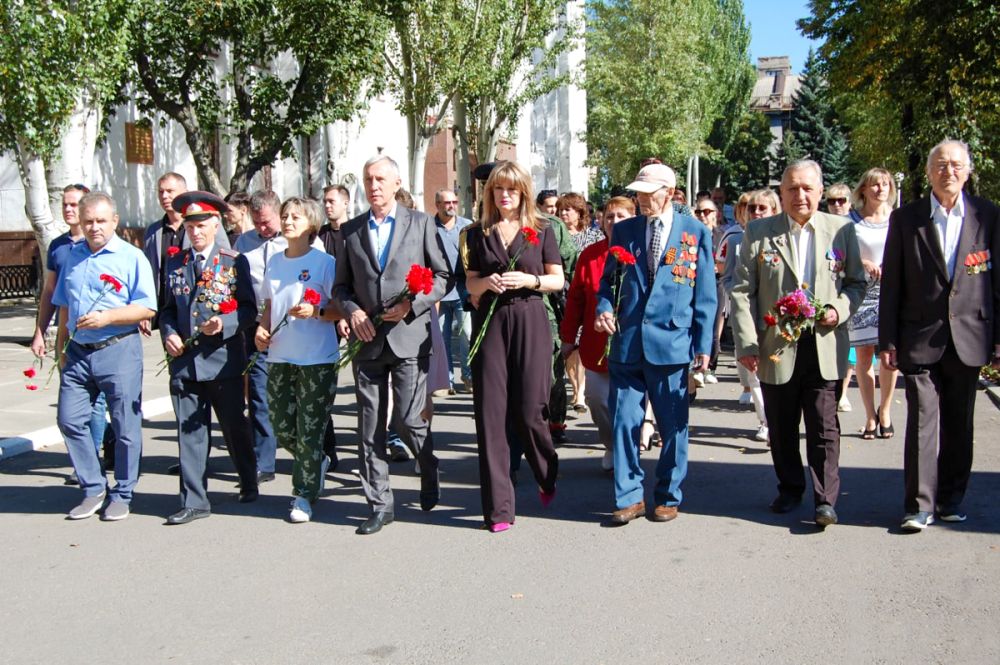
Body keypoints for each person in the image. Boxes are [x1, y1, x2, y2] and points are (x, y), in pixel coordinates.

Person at [730, 160, 866, 528]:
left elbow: (856, 283)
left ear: (820, 192)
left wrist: (838, 310)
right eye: (792, 188)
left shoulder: (841, 230)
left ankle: (826, 500)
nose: (800, 195)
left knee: (824, 426)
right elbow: (741, 291)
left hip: (823, 343)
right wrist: (746, 342)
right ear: (781, 193)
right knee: (781, 422)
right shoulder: (759, 232)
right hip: (776, 345)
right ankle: (790, 487)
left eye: (807, 188)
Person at [879, 140, 1000, 531]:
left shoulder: (988, 215)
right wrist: (888, 340)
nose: (948, 171)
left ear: (967, 172)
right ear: (929, 172)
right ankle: (919, 505)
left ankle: (950, 498)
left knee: (959, 422)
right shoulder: (906, 219)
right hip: (919, 337)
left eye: (956, 165)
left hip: (971, 334)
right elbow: (892, 284)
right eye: (940, 165)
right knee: (922, 418)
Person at [332, 155, 452, 535]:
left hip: (408, 338)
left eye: (381, 178)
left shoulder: (420, 224)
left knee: (406, 419)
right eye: (369, 179)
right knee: (369, 426)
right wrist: (352, 311)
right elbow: (340, 288)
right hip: (367, 341)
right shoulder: (351, 231)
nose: (374, 186)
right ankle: (380, 503)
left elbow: (444, 276)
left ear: (397, 182)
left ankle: (427, 463)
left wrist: (411, 305)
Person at [595, 162, 717, 525]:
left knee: (672, 425)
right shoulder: (625, 231)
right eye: (638, 192)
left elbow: (705, 293)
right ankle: (629, 496)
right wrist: (604, 308)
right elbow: (608, 284)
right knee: (623, 422)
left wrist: (704, 345)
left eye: (648, 192)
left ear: (669, 192)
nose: (641, 198)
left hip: (672, 341)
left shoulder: (694, 233)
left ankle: (667, 495)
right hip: (627, 342)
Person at [465, 160, 563, 532]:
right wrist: (486, 283)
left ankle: (545, 472)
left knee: (529, 410)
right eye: (497, 189)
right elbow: (470, 283)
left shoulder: (541, 230)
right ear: (490, 193)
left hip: (530, 316)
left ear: (522, 191)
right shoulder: (477, 233)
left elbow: (557, 281)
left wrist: (529, 279)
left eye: (511, 189)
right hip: (491, 322)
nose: (504, 196)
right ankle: (499, 509)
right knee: (490, 416)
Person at [54, 192, 157, 521]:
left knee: (125, 426)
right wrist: (61, 349)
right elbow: (64, 305)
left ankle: (123, 491)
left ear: (114, 221)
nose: (94, 227)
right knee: (69, 420)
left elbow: (147, 307)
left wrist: (109, 317)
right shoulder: (72, 256)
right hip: (78, 352)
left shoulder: (131, 257)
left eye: (101, 221)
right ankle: (93, 486)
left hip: (117, 349)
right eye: (88, 221)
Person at [159, 191, 259, 524]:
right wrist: (169, 333)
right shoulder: (176, 262)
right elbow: (167, 310)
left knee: (233, 427)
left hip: (222, 361)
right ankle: (194, 501)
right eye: (190, 225)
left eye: (202, 225)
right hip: (185, 363)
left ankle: (248, 478)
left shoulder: (232, 261)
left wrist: (225, 323)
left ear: (216, 224)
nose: (196, 232)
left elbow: (248, 309)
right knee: (190, 433)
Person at [255, 197, 342, 524]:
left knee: (309, 429)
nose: (288, 220)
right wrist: (261, 332)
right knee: (280, 424)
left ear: (312, 226)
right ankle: (315, 462)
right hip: (279, 355)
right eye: (285, 215)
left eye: (296, 216)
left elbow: (340, 308)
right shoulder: (275, 262)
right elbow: (269, 307)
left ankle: (303, 495)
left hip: (317, 358)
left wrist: (317, 312)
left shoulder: (325, 263)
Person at [31, 184, 109, 483]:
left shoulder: (106, 244)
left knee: (96, 403)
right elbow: (51, 290)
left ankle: (92, 461)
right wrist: (40, 331)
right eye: (64, 204)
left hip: (101, 336)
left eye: (74, 204)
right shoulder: (59, 247)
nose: (68, 209)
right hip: (69, 334)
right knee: (73, 403)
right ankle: (86, 460)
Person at [560, 196, 636, 471]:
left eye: (621, 216)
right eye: (609, 217)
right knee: (598, 400)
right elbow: (577, 301)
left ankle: (628, 450)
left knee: (629, 405)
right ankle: (611, 444)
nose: (614, 222)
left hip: (635, 345)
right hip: (596, 345)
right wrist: (568, 339)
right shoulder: (590, 255)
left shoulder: (642, 250)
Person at [847, 168, 899, 440]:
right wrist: (861, 262)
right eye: (874, 184)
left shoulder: (898, 219)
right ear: (863, 189)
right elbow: (836, 254)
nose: (880, 189)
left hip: (892, 294)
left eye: (885, 184)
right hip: (862, 293)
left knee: (890, 356)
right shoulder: (851, 221)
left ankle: (886, 409)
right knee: (864, 356)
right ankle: (869, 414)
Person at [143, 172, 230, 329]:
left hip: (202, 310)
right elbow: (147, 271)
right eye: (161, 191)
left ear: (184, 192)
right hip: (165, 309)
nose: (164, 196)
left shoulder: (208, 224)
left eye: (170, 191)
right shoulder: (153, 231)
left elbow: (225, 264)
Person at [718, 190, 771, 442]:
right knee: (755, 373)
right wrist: (740, 296)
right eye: (752, 209)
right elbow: (727, 277)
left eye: (763, 208)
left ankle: (781, 420)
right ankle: (765, 422)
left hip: (778, 319)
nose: (757, 213)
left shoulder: (783, 240)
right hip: (747, 317)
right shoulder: (737, 240)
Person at [557, 192, 601, 414]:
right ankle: (575, 388)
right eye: (561, 209)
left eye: (568, 209)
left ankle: (581, 393)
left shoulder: (593, 237)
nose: (563, 213)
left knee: (581, 342)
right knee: (570, 345)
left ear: (579, 212)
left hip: (586, 296)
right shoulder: (555, 235)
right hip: (562, 294)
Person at [433, 188, 473, 394]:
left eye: (454, 202)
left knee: (467, 333)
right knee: (441, 336)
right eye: (446, 202)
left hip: (463, 290)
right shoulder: (429, 227)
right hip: (438, 291)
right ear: (437, 205)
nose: (451, 206)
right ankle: (445, 380)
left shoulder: (466, 227)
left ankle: (467, 376)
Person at [825, 182, 856, 412]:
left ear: (850, 202)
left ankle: (843, 392)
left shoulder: (857, 227)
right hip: (831, 293)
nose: (836, 205)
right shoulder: (825, 228)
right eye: (832, 201)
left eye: (841, 200)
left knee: (851, 348)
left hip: (855, 293)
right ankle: (836, 390)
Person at [692, 198, 722, 387]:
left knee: (713, 327)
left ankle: (709, 365)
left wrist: (719, 268)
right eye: (699, 212)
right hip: (694, 282)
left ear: (715, 214)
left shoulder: (721, 235)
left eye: (707, 212)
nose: (703, 215)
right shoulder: (690, 234)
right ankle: (694, 367)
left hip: (718, 284)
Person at [319, 184, 351, 259]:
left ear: (345, 204)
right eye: (325, 202)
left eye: (331, 201)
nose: (327, 205)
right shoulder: (319, 234)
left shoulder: (356, 232)